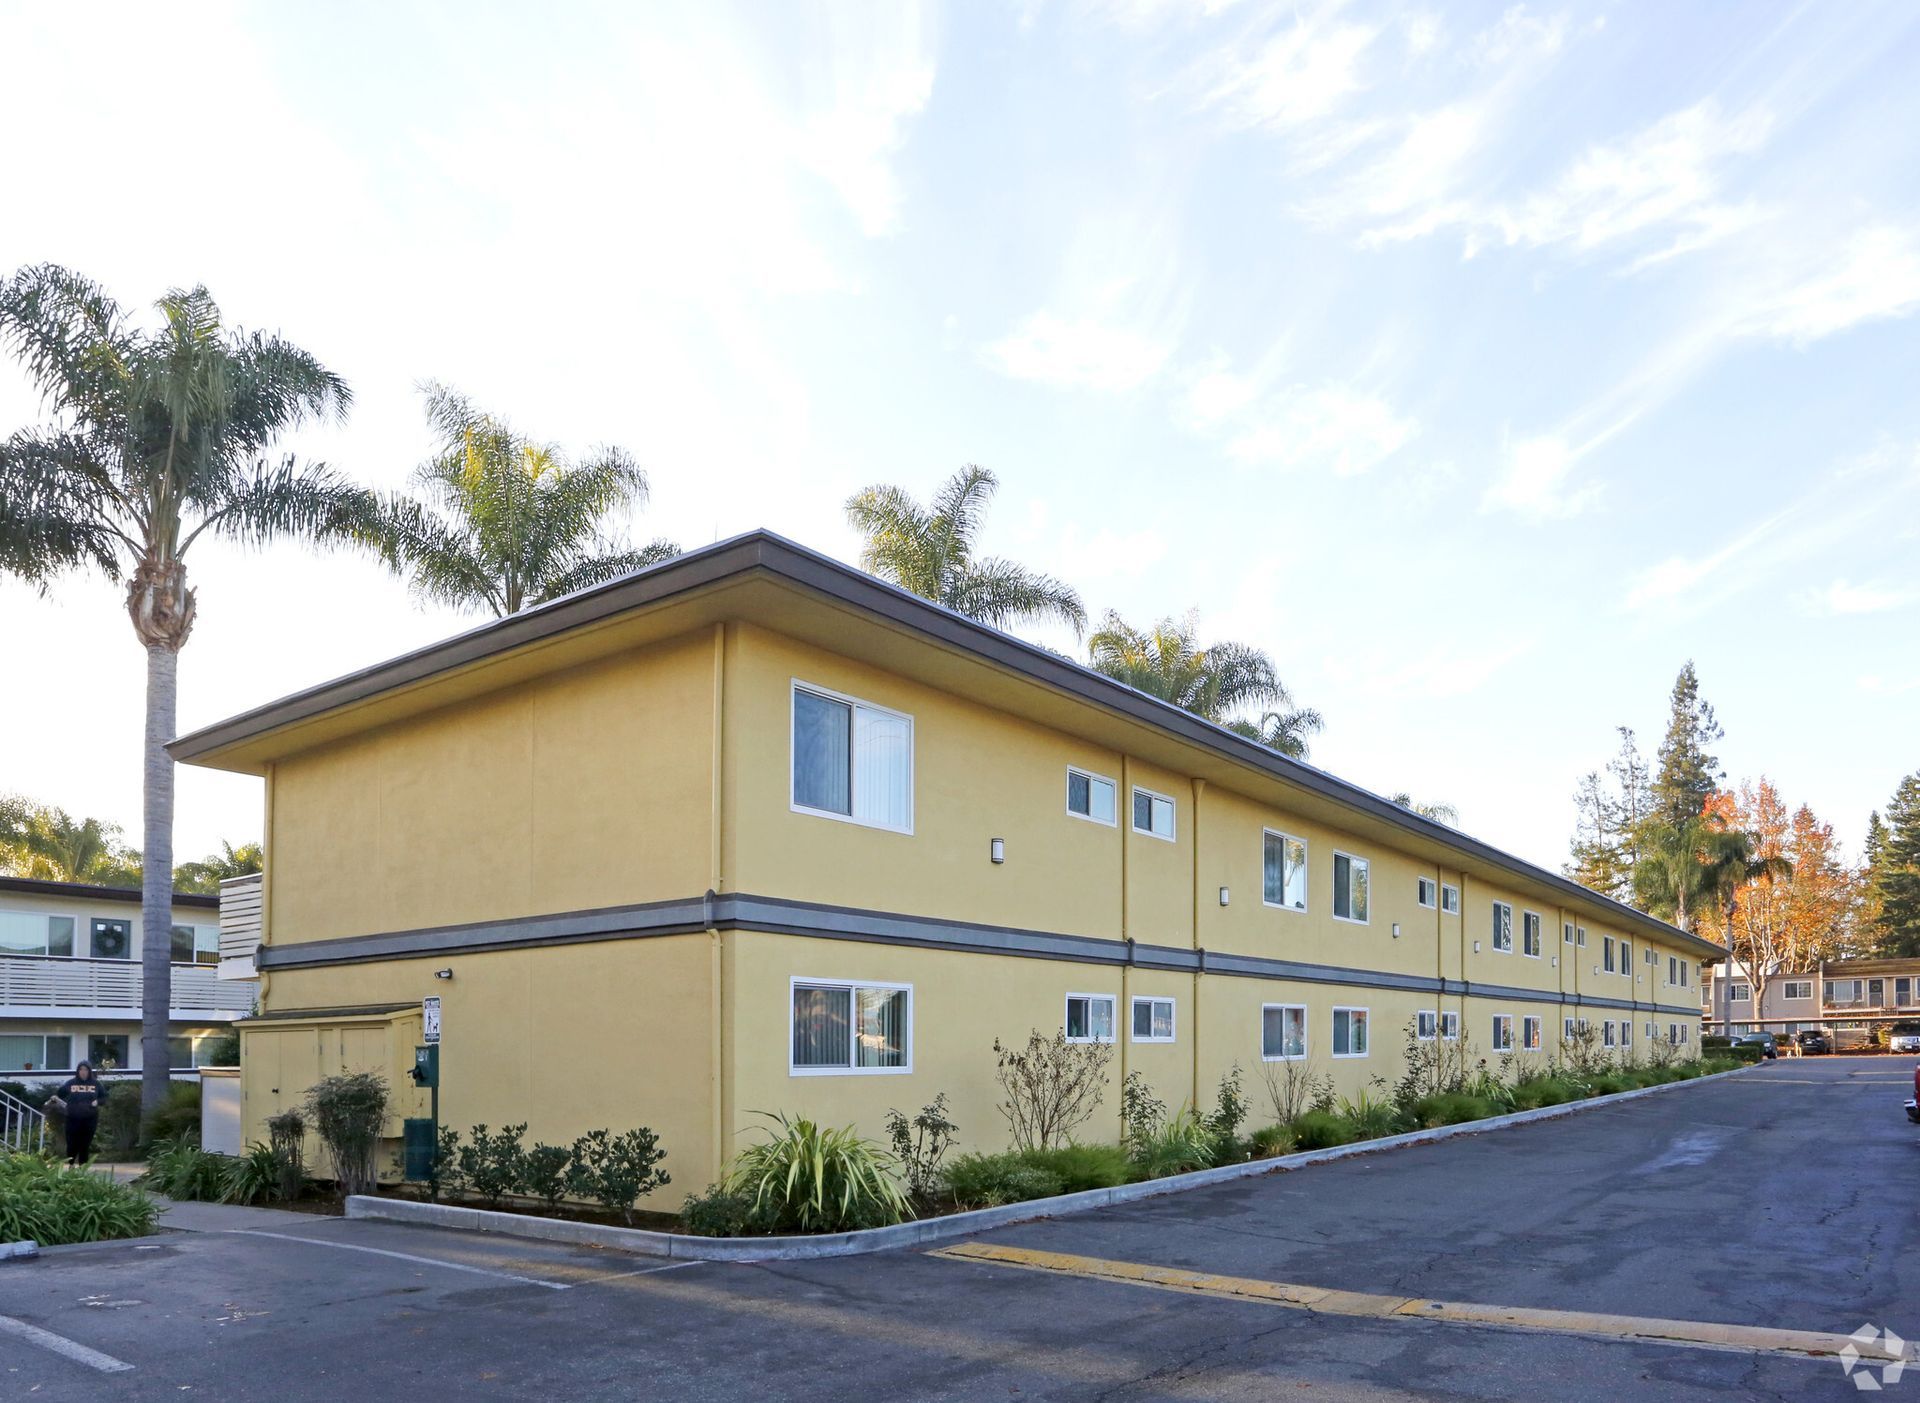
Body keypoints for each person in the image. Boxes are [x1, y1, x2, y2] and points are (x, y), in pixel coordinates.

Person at [53, 1061, 108, 1165]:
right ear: (78, 1071)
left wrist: (98, 1101)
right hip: (72, 1118)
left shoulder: (96, 1084)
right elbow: (60, 1094)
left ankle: (83, 1168)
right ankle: (71, 1164)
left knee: (85, 1144)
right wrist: (57, 1094)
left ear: (89, 1071)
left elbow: (104, 1097)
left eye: (85, 1069)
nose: (83, 1072)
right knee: (72, 1143)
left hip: (90, 1119)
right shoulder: (71, 1083)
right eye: (81, 1069)